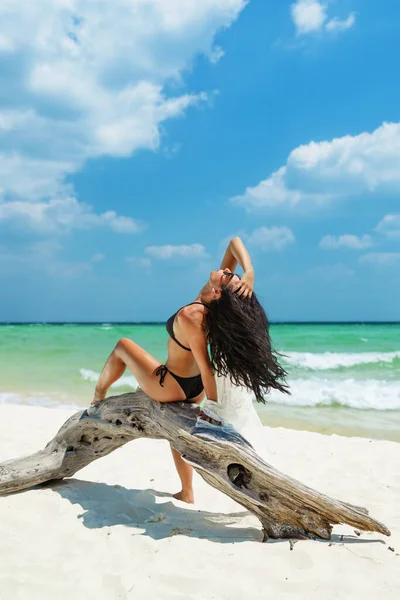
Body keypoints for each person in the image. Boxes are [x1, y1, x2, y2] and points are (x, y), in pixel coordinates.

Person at [90, 237, 289, 503]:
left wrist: (214, 410)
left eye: (230, 276)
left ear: (219, 292)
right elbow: (234, 243)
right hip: (189, 384)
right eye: (231, 272)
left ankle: (97, 396)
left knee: (122, 346)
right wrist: (250, 273)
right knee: (176, 432)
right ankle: (187, 492)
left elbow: (206, 366)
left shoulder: (193, 316)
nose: (229, 270)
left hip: (174, 385)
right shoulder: (211, 297)